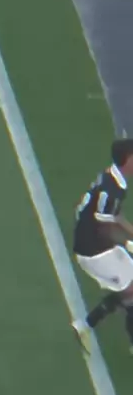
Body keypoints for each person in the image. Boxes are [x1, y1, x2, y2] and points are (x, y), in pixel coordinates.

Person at [71, 138, 133, 354]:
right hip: (93, 251)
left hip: (94, 243)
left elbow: (115, 216)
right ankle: (85, 326)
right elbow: (104, 229)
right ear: (128, 159)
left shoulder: (112, 178)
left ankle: (85, 326)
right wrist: (128, 244)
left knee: (129, 293)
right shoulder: (113, 189)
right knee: (130, 291)